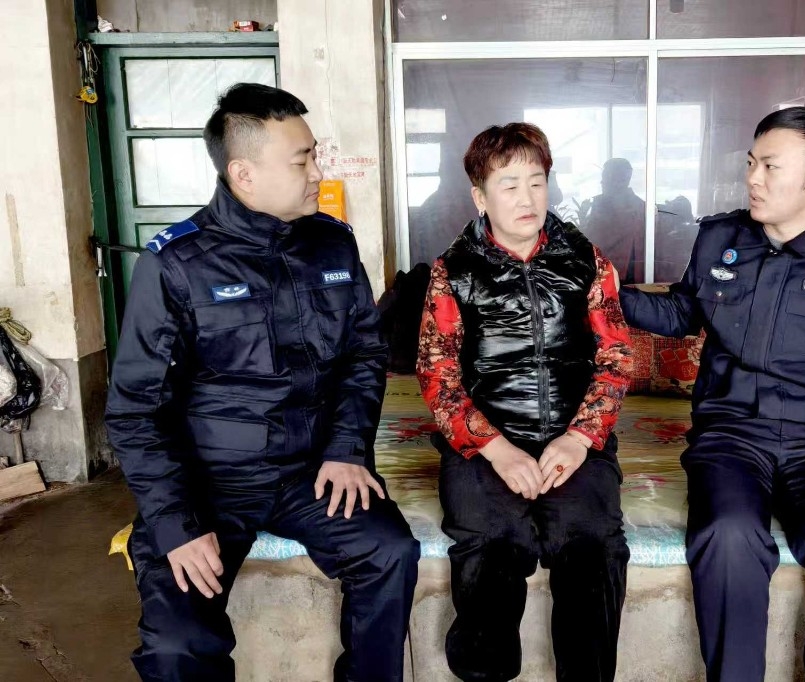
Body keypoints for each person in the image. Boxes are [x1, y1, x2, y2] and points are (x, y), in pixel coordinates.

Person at [105, 83, 419, 682]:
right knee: (176, 645)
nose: (317, 172)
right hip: (210, 483)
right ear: (244, 174)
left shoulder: (332, 242)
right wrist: (175, 525)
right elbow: (134, 410)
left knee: (389, 551)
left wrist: (348, 450)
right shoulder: (177, 264)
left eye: (315, 155)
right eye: (302, 160)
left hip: (311, 472)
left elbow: (363, 354)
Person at [618, 107, 805, 682]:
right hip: (731, 437)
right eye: (751, 163)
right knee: (727, 537)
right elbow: (683, 311)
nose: (752, 178)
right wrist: (604, 289)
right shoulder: (721, 237)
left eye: (770, 167)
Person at [416, 122, 633, 681]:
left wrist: (580, 438)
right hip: (486, 443)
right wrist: (496, 449)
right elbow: (438, 375)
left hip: (574, 440)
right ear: (480, 196)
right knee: (491, 545)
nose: (527, 198)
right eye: (508, 185)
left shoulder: (585, 259)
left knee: (592, 547)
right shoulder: (453, 270)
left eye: (536, 182)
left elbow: (615, 356)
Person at [579, 157, 646, 285]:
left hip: (617, 277)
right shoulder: (604, 204)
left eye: (605, 177)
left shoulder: (632, 209)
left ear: (620, 180)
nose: (601, 182)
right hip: (607, 273)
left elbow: (595, 241)